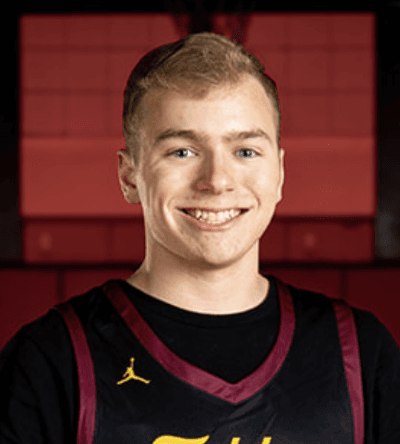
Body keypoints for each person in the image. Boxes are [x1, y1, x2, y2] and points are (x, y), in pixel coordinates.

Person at [1, 32, 400, 444]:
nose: (216, 180)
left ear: (279, 173)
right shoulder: (51, 361)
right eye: (182, 151)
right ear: (129, 176)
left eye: (245, 151)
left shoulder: (359, 353)